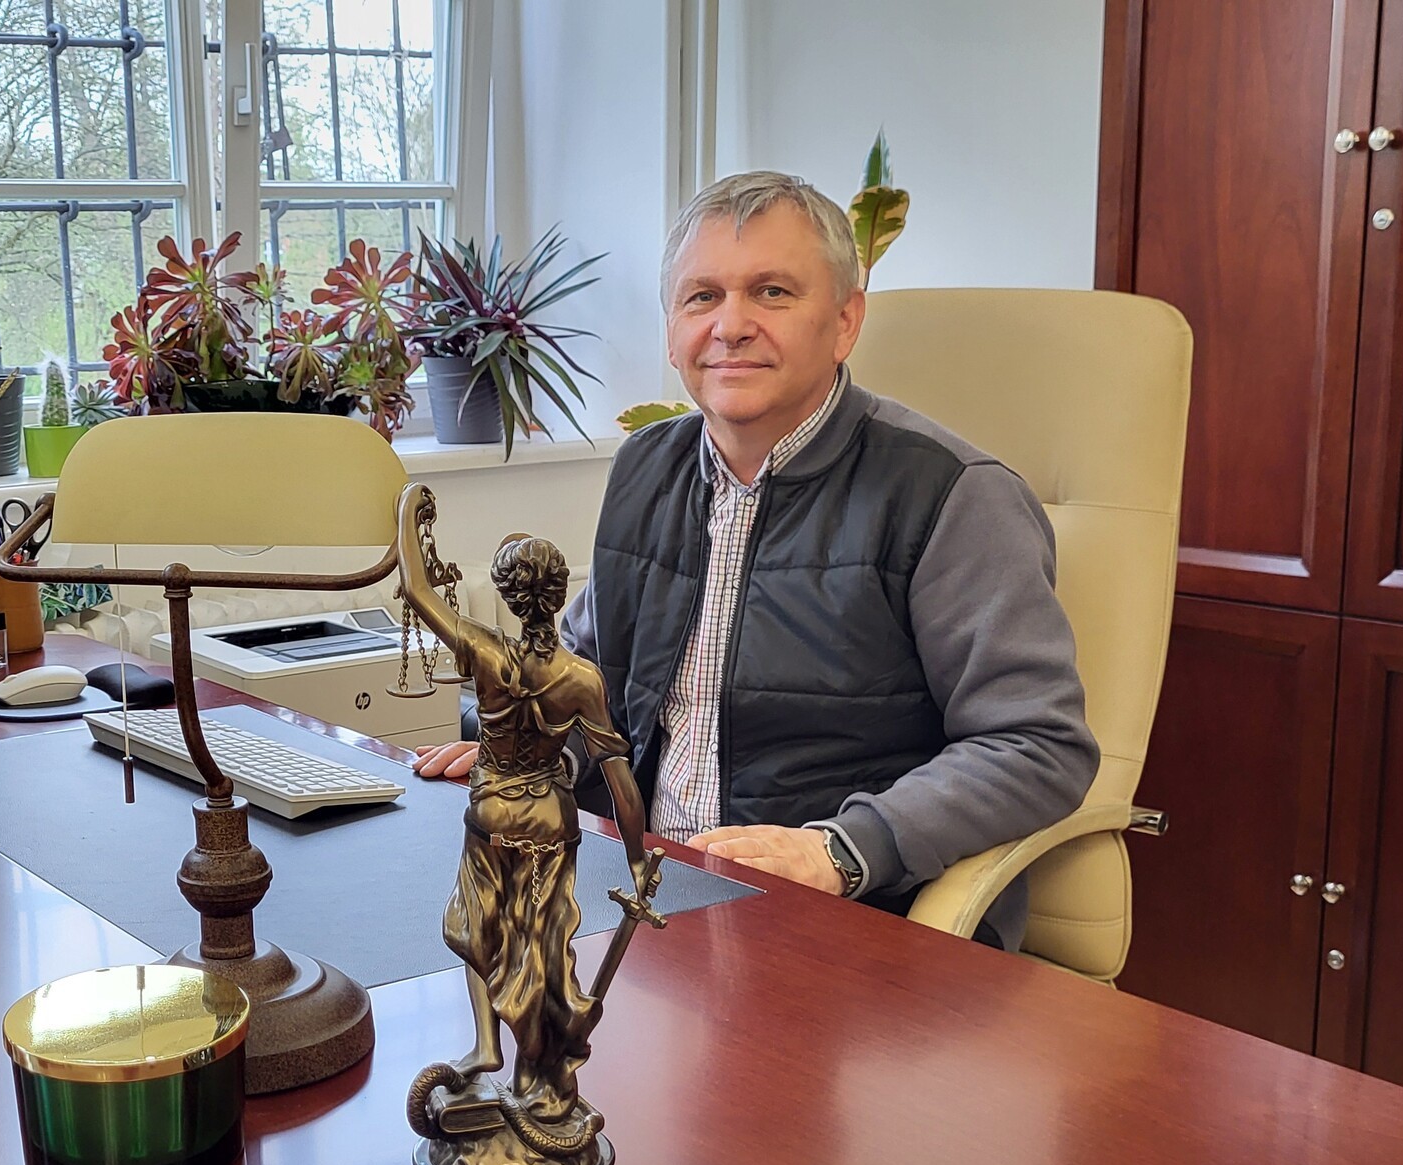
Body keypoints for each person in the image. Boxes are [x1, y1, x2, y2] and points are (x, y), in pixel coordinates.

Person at [412, 171, 1097, 951]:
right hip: (644, 898)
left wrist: (839, 850)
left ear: (845, 321)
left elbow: (1036, 745)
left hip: (842, 923)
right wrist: (527, 746)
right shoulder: (644, 469)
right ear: (671, 330)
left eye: (772, 292)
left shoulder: (952, 496)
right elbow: (592, 680)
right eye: (702, 296)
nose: (730, 325)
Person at [393, 484, 656, 1165]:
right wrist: (637, 860)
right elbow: (621, 781)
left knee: (478, 927)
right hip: (549, 821)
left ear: (509, 597)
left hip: (490, 814)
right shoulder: (580, 678)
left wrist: (410, 510)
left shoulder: (486, 653)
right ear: (560, 593)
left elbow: (416, 589)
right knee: (540, 947)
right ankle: (537, 1074)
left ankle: (489, 1047)